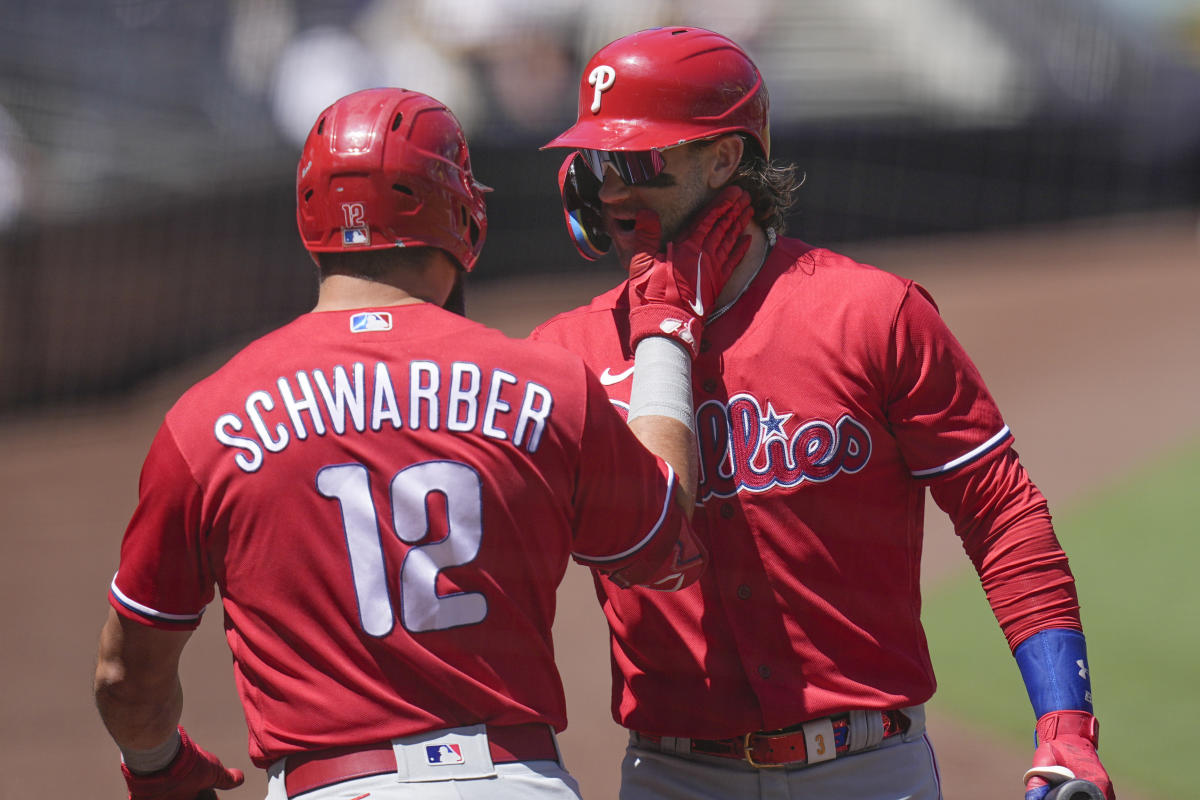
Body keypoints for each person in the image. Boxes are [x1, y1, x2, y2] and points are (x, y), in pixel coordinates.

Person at [92, 86, 739, 800]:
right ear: (459, 209)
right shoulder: (549, 383)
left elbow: (127, 681)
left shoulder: (205, 420)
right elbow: (665, 547)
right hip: (515, 782)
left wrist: (157, 766)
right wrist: (665, 324)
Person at [531, 26, 1116, 800]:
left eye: (639, 161)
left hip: (870, 772)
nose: (609, 191)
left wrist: (1065, 729)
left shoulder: (869, 315)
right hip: (672, 775)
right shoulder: (562, 353)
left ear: (724, 158)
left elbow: (1003, 515)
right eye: (598, 162)